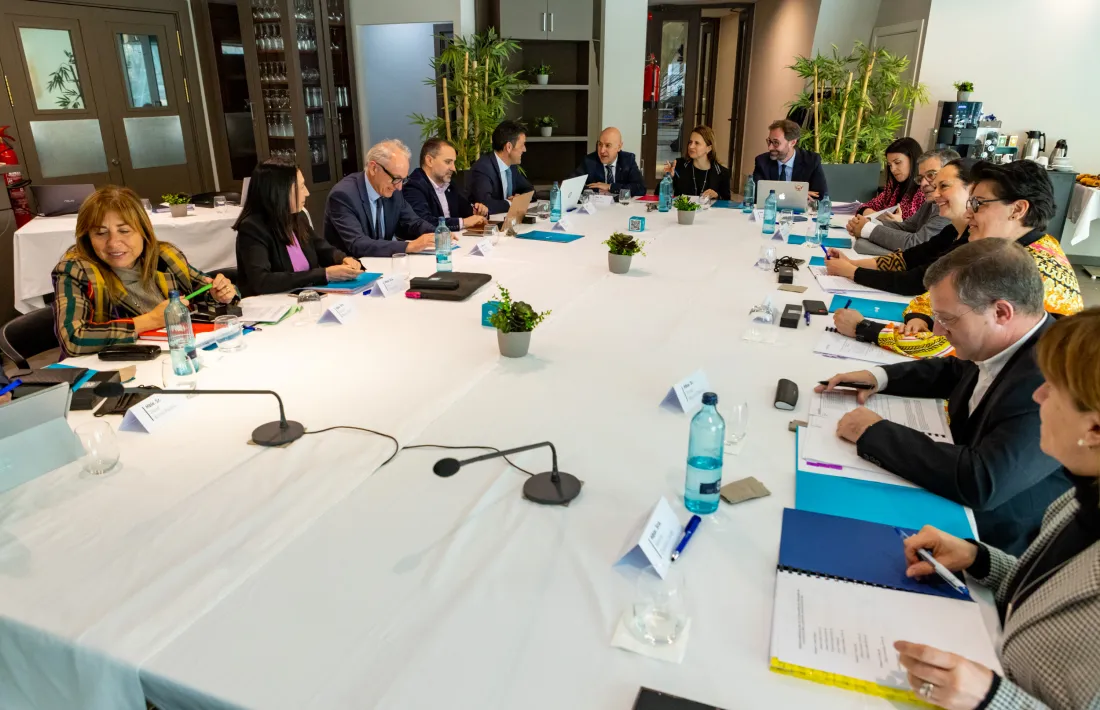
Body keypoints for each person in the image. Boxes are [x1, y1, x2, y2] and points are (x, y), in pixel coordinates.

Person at [892, 308, 1100, 710]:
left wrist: (993, 698)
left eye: (1052, 388)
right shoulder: (1080, 498)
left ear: (1093, 429)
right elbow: (1050, 595)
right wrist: (980, 559)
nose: (1037, 395)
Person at [817, 239, 1071, 556]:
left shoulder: (1053, 380)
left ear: (1001, 312)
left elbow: (982, 480)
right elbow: (955, 370)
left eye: (948, 319)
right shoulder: (1010, 340)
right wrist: (879, 377)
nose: (937, 330)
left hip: (993, 536)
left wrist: (875, 432)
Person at [832, 160, 1083, 358]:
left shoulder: (1024, 272)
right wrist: (920, 316)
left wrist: (865, 328)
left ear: (1017, 209)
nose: (969, 213)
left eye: (979, 204)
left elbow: (950, 345)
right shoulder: (1016, 249)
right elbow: (934, 292)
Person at [51, 186, 237, 357]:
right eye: (100, 233)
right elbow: (73, 339)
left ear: (143, 231)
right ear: (87, 238)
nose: (113, 243)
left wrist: (220, 294)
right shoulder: (76, 270)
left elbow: (205, 292)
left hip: (174, 357)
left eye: (124, 231)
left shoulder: (164, 257)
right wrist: (151, 320)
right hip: (115, 370)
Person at [234, 159, 364, 296]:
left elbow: (321, 248)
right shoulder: (252, 228)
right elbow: (262, 281)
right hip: (272, 303)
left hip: (305, 298)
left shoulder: (297, 216)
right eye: (301, 187)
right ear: (280, 191)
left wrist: (342, 259)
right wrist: (324, 274)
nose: (307, 193)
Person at [323, 139, 439, 257]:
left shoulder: (392, 189)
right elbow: (358, 244)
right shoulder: (343, 195)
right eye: (396, 178)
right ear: (373, 168)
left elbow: (413, 222)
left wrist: (440, 233)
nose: (399, 187)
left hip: (384, 262)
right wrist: (409, 246)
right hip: (352, 264)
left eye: (403, 180)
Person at [851, 148, 957, 256]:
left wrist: (867, 228)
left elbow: (918, 244)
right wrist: (869, 223)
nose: (923, 183)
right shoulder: (896, 188)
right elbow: (907, 226)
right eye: (920, 178)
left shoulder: (947, 205)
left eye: (931, 175)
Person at [403, 138, 489, 232]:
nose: (454, 168)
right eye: (448, 162)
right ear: (429, 161)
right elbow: (422, 222)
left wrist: (478, 211)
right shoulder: (413, 186)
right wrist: (463, 222)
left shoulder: (449, 185)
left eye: (453, 162)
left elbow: (466, 210)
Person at [852, 136, 925, 222]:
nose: (892, 169)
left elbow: (923, 229)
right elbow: (862, 208)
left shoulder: (925, 193)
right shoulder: (893, 188)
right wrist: (880, 217)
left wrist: (897, 224)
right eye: (890, 165)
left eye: (897, 162)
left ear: (913, 161)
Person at [468, 120, 534, 214]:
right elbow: (485, 204)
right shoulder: (483, 168)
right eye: (522, 145)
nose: (524, 149)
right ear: (509, 147)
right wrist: (511, 203)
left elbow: (530, 189)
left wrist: (519, 198)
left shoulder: (511, 167)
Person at [751, 119, 828, 197]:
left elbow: (820, 195)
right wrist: (796, 194)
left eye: (776, 142)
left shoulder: (811, 160)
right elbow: (756, 193)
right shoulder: (762, 161)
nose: (770, 147)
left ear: (792, 143)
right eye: (769, 141)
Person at [569, 127, 646, 197]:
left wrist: (610, 187)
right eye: (600, 144)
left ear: (619, 147)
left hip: (621, 206)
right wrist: (596, 190)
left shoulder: (628, 160)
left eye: (608, 145)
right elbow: (570, 184)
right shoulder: (589, 161)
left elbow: (640, 188)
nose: (602, 151)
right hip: (598, 206)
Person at [664, 125, 731, 201]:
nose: (691, 146)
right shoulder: (679, 165)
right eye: (690, 142)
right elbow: (658, 195)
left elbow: (727, 201)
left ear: (709, 148)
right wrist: (668, 178)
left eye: (697, 143)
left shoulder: (722, 173)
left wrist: (716, 196)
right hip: (682, 208)